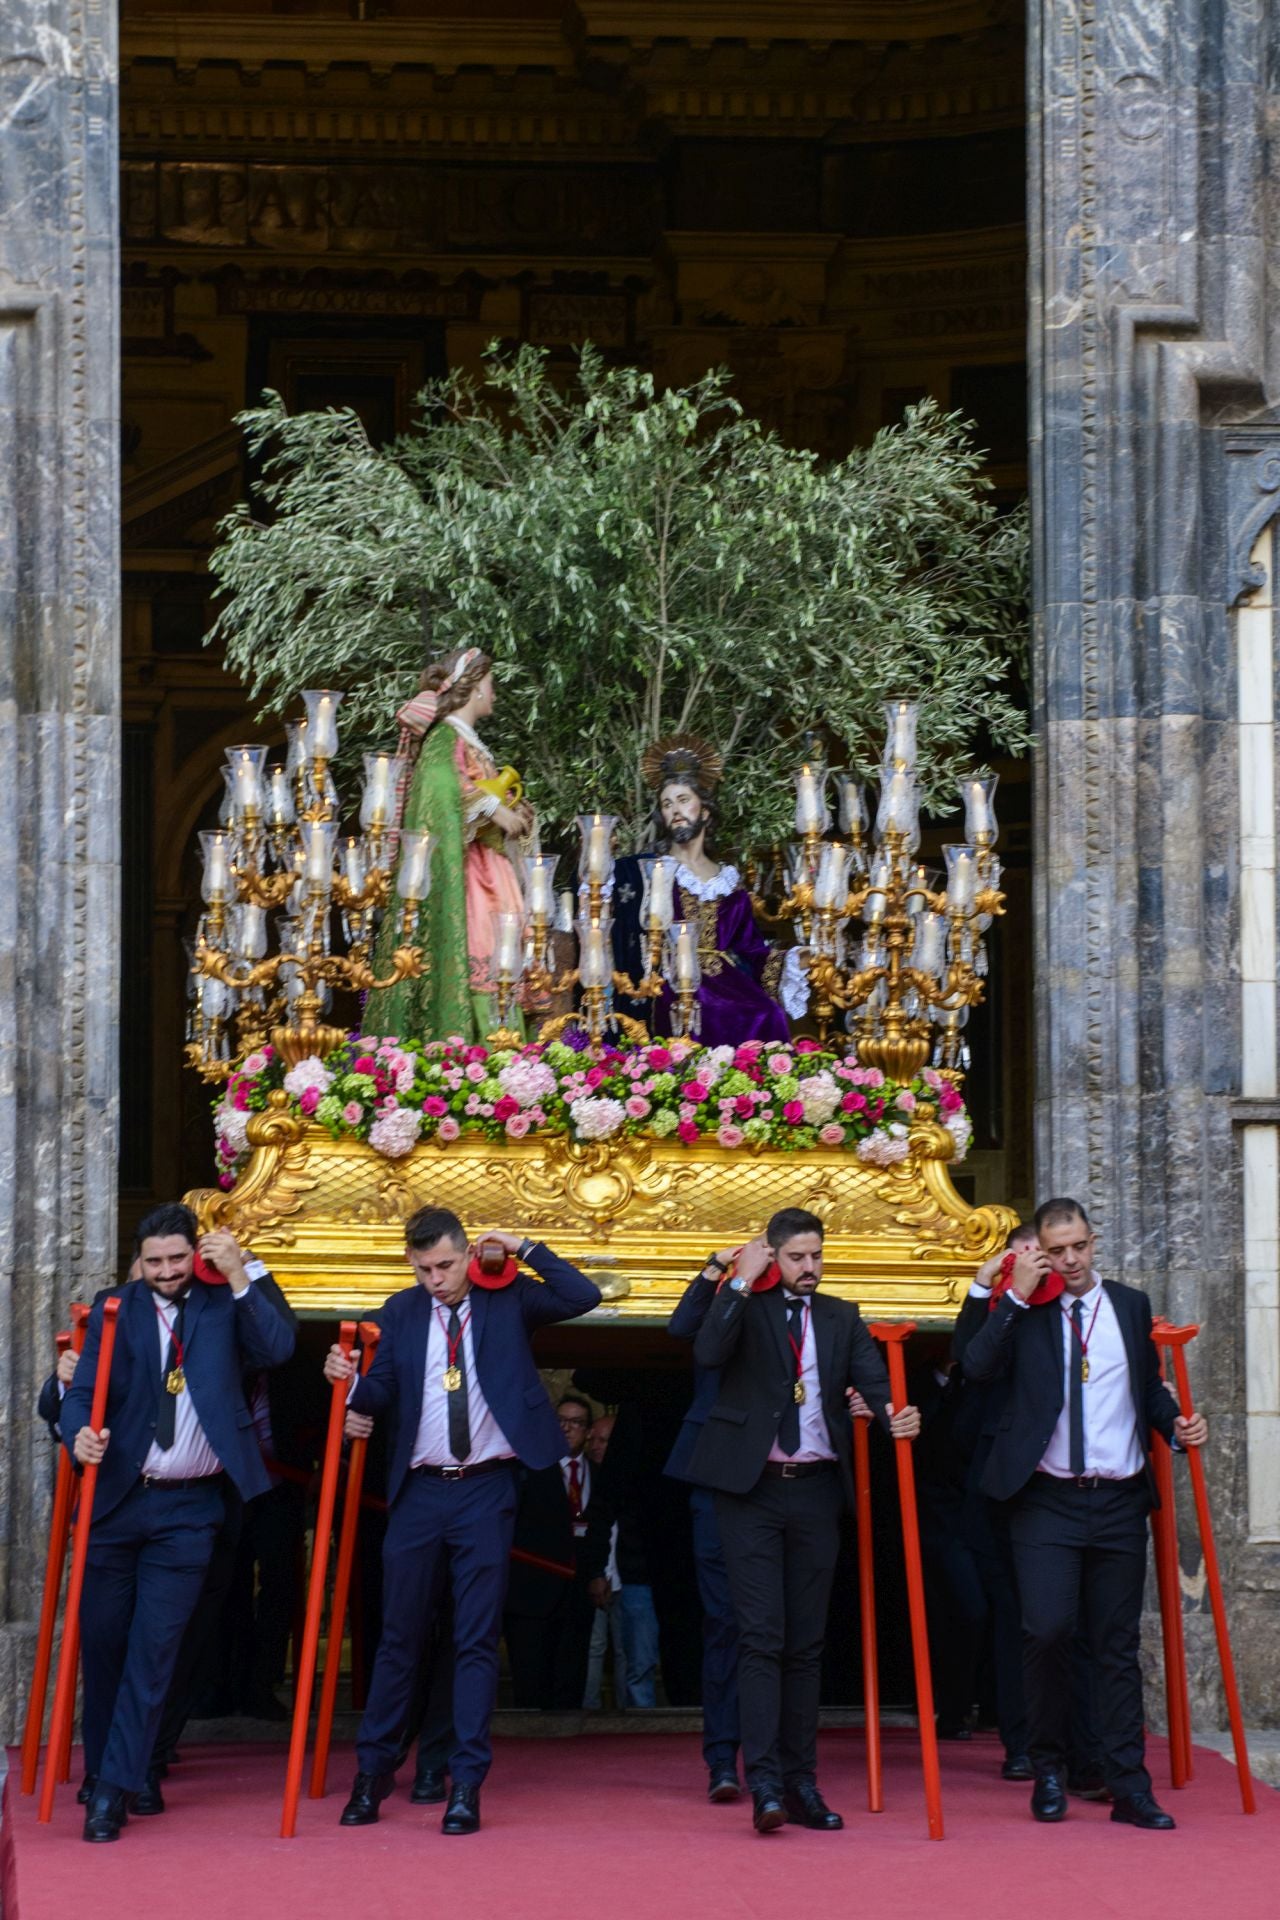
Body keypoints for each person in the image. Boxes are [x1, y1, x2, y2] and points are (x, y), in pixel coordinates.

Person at [326, 1208, 600, 1836]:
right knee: (399, 1637)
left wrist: (525, 1245)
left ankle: (465, 1784)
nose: (436, 1279)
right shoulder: (399, 1312)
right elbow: (381, 1391)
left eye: (446, 1265)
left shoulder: (509, 1300)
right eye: (424, 1269)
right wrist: (347, 1384)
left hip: (486, 1489)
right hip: (419, 1492)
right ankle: (372, 1774)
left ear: (467, 1253)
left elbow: (580, 1295)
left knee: (476, 1640)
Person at [961, 1196, 1209, 1830]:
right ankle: (1047, 1768)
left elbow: (1146, 1388)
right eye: (1056, 1250)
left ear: (1094, 1242)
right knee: (1045, 1633)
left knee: (1116, 1647)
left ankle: (1129, 1785)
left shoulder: (1127, 1305)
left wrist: (1177, 1427)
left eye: (1079, 1247)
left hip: (1121, 1498)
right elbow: (975, 1367)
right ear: (1040, 1251)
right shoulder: (1029, 1312)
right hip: (1047, 1501)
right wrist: (1012, 1295)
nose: (1069, 1260)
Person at [61, 1206, 295, 1843]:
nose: (167, 1273)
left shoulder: (226, 1306)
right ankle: (118, 1767)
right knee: (105, 1645)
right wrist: (75, 1432)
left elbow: (279, 1346)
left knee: (154, 1649)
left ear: (197, 1253)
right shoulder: (118, 1307)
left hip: (190, 1510)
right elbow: (85, 1390)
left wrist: (242, 1274)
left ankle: (112, 1790)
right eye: (156, 1261)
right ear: (140, 1258)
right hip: (115, 1503)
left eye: (177, 1260)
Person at [686, 1208, 920, 1834]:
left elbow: (873, 1379)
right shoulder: (747, 1304)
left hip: (816, 1490)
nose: (810, 1267)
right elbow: (704, 1349)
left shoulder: (841, 1316)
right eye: (797, 1257)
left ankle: (801, 1783)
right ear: (772, 1255)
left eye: (816, 1255)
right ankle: (762, 1782)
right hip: (750, 1492)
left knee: (806, 1646)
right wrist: (738, 1278)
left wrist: (896, 1411)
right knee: (761, 1637)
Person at [365, 645, 534, 1044]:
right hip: (471, 881)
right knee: (483, 958)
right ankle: (476, 1057)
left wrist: (514, 812)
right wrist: (495, 808)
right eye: (491, 684)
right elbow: (441, 790)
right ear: (474, 687)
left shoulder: (466, 739)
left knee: (502, 967)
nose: (494, 694)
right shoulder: (445, 737)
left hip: (489, 870)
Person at [612, 735, 802, 1044]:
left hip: (726, 981)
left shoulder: (728, 884)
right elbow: (608, 900)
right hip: (668, 979)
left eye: (683, 800)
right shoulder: (649, 872)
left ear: (705, 811)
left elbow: (751, 950)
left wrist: (794, 959)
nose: (675, 810)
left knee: (767, 1013)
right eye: (667, 803)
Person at [666, 1261, 743, 1802]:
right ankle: (722, 1760)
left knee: (773, 1631)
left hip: (776, 1482)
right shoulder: (724, 1300)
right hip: (715, 1480)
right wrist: (722, 1270)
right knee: (724, 1625)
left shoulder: (796, 1308)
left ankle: (774, 1758)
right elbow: (681, 1328)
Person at [503, 1394, 609, 1711]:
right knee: (531, 1681)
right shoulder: (528, 1468)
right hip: (533, 1592)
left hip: (578, 1594)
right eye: (560, 1421)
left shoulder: (600, 1475)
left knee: (571, 1677)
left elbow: (600, 1528)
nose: (566, 1429)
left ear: (588, 1431)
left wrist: (596, 1574)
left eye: (576, 1422)